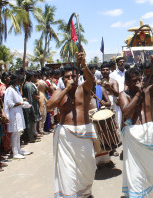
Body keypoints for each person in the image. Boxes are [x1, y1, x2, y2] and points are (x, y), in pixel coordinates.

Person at [47, 52, 97, 198]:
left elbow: (91, 80)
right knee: (67, 171)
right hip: (66, 137)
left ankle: (86, 192)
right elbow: (50, 106)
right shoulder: (58, 91)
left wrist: (83, 64)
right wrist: (67, 89)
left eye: (73, 76)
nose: (70, 79)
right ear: (62, 79)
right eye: (67, 77)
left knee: (88, 168)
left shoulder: (84, 89)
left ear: (78, 76)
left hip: (84, 133)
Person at [119, 55, 153, 198]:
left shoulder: (149, 90)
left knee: (151, 170)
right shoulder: (124, 95)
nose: (138, 83)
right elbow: (126, 112)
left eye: (140, 79)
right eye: (134, 81)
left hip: (150, 133)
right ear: (127, 82)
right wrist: (138, 94)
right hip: (133, 136)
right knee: (135, 171)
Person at [3, 74, 31, 159]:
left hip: (18, 112)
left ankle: (19, 150)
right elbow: (10, 104)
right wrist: (20, 103)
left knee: (19, 132)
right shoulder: (9, 90)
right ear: (15, 80)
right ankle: (15, 152)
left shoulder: (16, 89)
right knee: (15, 132)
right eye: (19, 80)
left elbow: (18, 99)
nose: (20, 82)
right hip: (13, 113)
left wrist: (22, 101)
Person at [110, 57, 126, 127]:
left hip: (127, 97)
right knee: (119, 119)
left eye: (123, 61)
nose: (122, 63)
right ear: (117, 64)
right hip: (117, 99)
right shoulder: (113, 75)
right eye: (120, 62)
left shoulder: (128, 72)